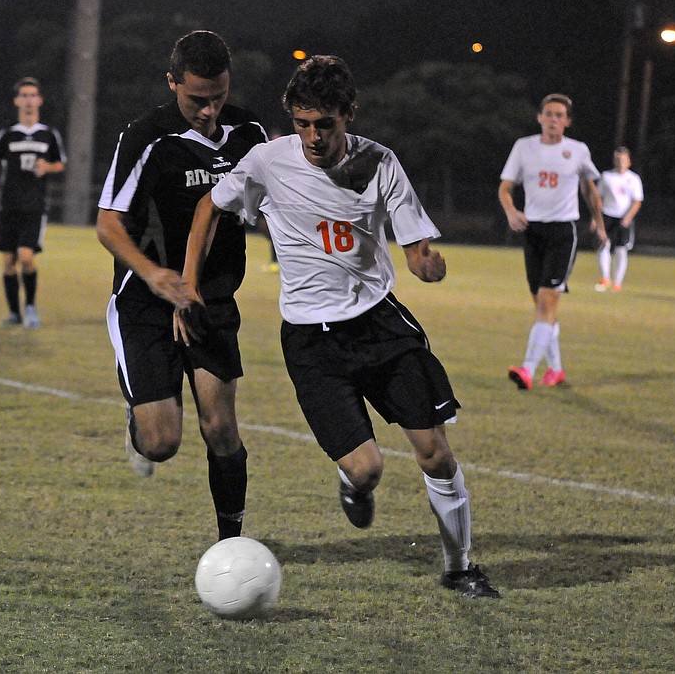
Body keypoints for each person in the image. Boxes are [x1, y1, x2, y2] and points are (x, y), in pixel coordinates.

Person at [179, 55, 499, 597]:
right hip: (310, 341)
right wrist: (189, 283)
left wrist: (426, 264)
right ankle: (355, 483)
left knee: (434, 451)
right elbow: (209, 205)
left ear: (347, 115)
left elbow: (417, 244)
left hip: (379, 324)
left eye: (323, 124)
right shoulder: (266, 162)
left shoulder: (379, 162)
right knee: (368, 469)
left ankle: (459, 568)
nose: (312, 136)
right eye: (302, 123)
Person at [95, 31, 267, 542]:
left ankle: (230, 546)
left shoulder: (249, 134)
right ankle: (138, 423)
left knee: (219, 426)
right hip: (146, 300)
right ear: (172, 83)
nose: (210, 111)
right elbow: (108, 223)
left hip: (210, 299)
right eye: (197, 99)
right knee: (162, 443)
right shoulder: (147, 136)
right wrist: (155, 276)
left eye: (218, 96)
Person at [498, 93, 607, 390]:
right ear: (539, 118)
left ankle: (527, 370)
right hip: (534, 232)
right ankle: (556, 370)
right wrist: (511, 211)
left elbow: (589, 189)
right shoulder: (524, 147)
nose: (553, 120)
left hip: (562, 233)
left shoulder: (578, 151)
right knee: (541, 306)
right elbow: (505, 188)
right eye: (549, 114)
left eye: (560, 115)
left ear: (567, 122)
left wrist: (598, 221)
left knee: (546, 302)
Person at [0, 77, 67, 328]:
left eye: (32, 95)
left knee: (26, 257)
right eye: (23, 95)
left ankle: (30, 307)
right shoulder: (8, 135)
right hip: (8, 206)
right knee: (8, 262)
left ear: (40, 100)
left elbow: (60, 163)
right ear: (17, 101)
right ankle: (14, 313)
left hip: (34, 206)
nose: (28, 100)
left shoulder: (48, 135)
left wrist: (47, 166)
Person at [592, 146, 643, 292]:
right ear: (614, 161)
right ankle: (605, 277)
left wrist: (628, 217)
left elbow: (637, 201)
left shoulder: (633, 179)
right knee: (603, 245)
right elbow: (598, 198)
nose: (620, 162)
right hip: (607, 215)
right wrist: (596, 218)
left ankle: (617, 283)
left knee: (621, 250)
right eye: (618, 159)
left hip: (624, 218)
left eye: (623, 160)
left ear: (629, 162)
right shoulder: (607, 176)